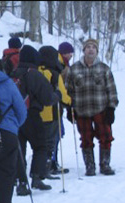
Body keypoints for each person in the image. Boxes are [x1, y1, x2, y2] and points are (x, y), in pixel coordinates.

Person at [65, 39, 119, 176]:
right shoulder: (74, 69)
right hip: (81, 110)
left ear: (97, 51)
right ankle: (90, 166)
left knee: (106, 137)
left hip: (101, 109)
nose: (90, 49)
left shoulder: (104, 68)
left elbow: (112, 90)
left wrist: (111, 108)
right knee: (86, 139)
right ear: (83, 50)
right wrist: (69, 109)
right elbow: (68, 91)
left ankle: (105, 164)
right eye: (88, 47)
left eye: (93, 47)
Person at [12, 45, 60, 193]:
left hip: (13, 116)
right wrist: (57, 95)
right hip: (32, 115)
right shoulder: (35, 74)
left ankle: (21, 181)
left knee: (19, 149)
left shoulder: (13, 73)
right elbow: (47, 99)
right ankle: (36, 177)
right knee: (40, 146)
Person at [0, 58, 28, 203]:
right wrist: (15, 125)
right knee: (7, 169)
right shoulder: (8, 83)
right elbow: (21, 109)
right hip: (8, 130)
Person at [37, 45, 71, 181]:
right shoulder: (54, 73)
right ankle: (47, 167)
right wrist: (70, 102)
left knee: (39, 143)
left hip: (36, 112)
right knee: (50, 142)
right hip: (51, 112)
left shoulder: (35, 71)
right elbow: (62, 93)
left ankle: (40, 168)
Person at [51, 41, 75, 175]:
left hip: (57, 104)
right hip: (57, 104)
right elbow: (61, 86)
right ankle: (52, 162)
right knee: (57, 132)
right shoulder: (60, 65)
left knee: (58, 132)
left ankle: (52, 161)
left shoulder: (62, 63)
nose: (70, 55)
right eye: (69, 52)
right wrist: (69, 101)